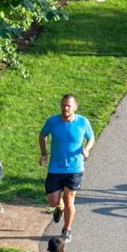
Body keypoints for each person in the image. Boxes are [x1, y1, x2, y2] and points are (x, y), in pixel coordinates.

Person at [39, 94, 94, 244]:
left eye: (69, 105)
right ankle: (59, 207)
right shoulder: (52, 121)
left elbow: (91, 137)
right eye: (63, 105)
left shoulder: (83, 122)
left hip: (75, 168)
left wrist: (87, 149)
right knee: (52, 201)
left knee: (69, 199)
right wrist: (44, 154)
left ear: (75, 107)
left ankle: (66, 229)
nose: (65, 108)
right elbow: (42, 135)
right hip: (55, 168)